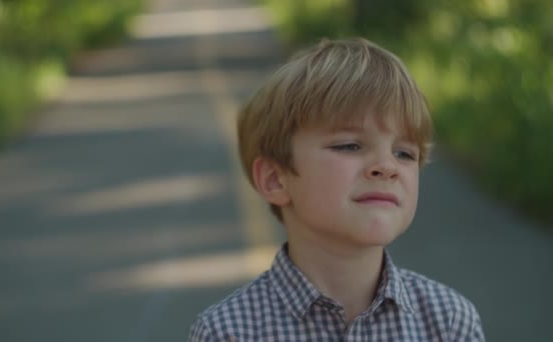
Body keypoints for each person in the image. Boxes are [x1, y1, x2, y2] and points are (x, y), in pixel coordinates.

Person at [189, 37, 485, 341]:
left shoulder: (449, 323)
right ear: (276, 180)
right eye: (350, 145)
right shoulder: (228, 332)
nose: (387, 166)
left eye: (405, 153)